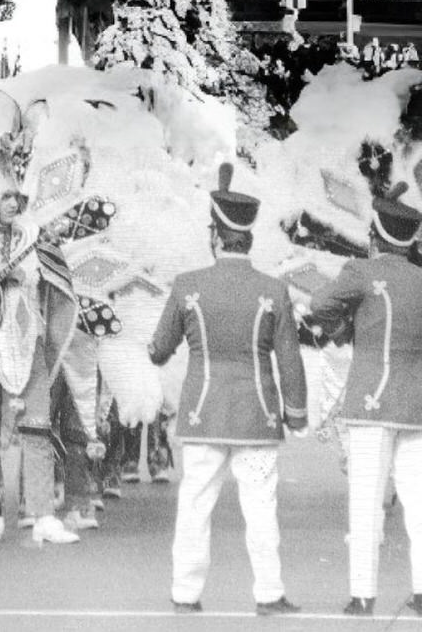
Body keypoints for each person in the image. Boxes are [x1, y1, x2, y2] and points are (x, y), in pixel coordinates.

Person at [148, 163, 306, 617]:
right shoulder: (273, 290)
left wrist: (154, 350)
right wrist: (295, 413)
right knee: (260, 509)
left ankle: (185, 593)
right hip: (256, 417)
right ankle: (270, 594)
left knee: (195, 506)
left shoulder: (187, 285)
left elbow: (160, 348)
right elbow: (289, 359)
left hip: (201, 414)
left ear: (215, 236)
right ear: (247, 236)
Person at [305, 178, 422, 616]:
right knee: (420, 501)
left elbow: (319, 306)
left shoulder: (361, 272)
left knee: (365, 499)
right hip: (417, 405)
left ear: (374, 237)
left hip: (371, 400)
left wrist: (346, 330)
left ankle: (362, 595)